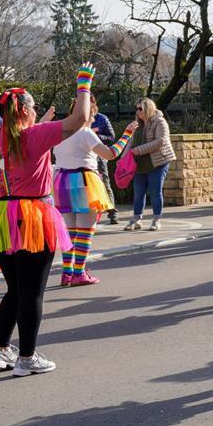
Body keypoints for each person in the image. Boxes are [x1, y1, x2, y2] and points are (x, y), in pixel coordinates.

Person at [0, 63, 94, 376]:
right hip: (32, 216)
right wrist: (84, 84)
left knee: (14, 289)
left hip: (0, 218)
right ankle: (26, 358)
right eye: (33, 107)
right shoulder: (33, 136)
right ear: (23, 110)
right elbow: (79, 120)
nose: (37, 112)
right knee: (32, 292)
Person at [54, 100, 138, 286]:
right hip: (84, 181)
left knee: (69, 232)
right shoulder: (85, 133)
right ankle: (79, 273)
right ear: (86, 113)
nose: (93, 119)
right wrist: (126, 135)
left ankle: (67, 273)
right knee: (85, 231)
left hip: (61, 182)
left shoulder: (60, 131)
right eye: (92, 115)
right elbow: (110, 154)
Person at [123, 98, 176, 231]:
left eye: (140, 108)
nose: (138, 111)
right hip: (140, 163)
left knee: (155, 191)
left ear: (148, 108)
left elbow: (160, 141)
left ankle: (157, 219)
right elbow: (130, 142)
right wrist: (123, 158)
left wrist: (139, 150)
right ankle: (136, 218)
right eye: (136, 109)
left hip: (158, 162)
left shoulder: (160, 121)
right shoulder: (137, 124)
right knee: (138, 192)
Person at [90, 98, 119, 225]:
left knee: (104, 182)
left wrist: (96, 135)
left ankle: (112, 212)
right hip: (84, 156)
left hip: (99, 155)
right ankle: (92, 214)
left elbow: (111, 137)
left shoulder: (102, 119)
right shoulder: (77, 118)